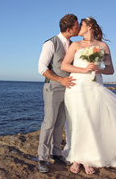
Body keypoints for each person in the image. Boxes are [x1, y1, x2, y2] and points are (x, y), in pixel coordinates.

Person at [61, 17, 116, 175]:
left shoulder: (102, 46)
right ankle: (77, 158)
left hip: (95, 86)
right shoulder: (75, 45)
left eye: (82, 25)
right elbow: (64, 65)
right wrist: (84, 70)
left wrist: (98, 70)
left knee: (93, 122)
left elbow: (111, 69)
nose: (78, 28)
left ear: (90, 26)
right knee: (78, 121)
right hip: (77, 87)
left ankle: (88, 159)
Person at [37, 14, 80, 173]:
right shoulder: (50, 43)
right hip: (53, 88)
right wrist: (60, 80)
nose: (79, 28)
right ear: (69, 29)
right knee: (49, 122)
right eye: (77, 26)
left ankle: (55, 153)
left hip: (68, 90)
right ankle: (42, 157)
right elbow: (42, 69)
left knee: (60, 122)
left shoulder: (74, 44)